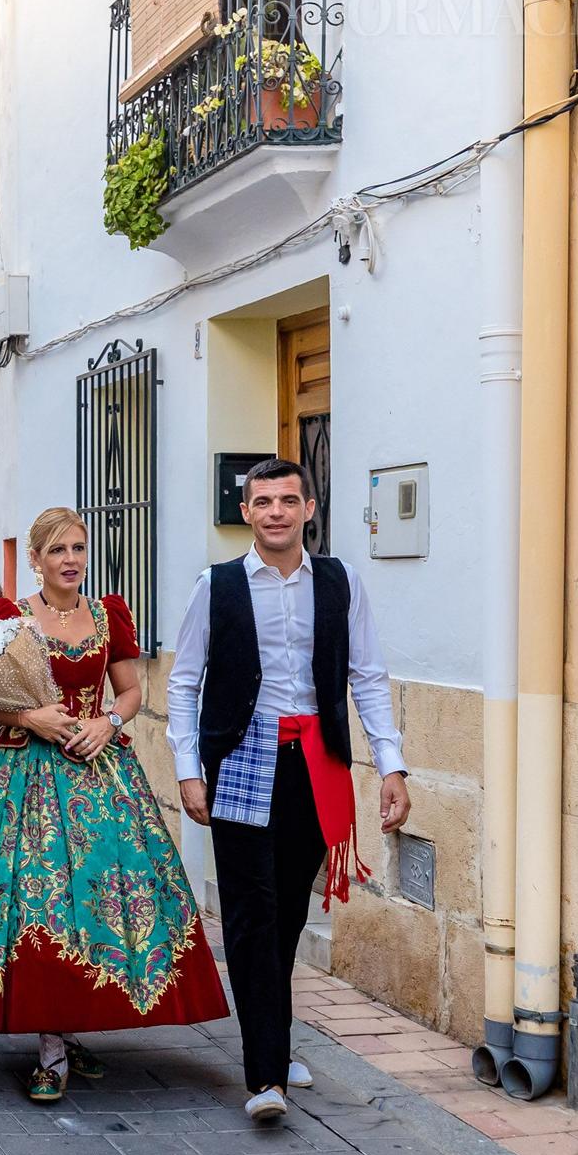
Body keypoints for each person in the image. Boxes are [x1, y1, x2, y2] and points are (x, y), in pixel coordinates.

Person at [0, 508, 229, 1102]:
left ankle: (69, 1028)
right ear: (35, 559)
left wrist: (107, 722)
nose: (71, 559)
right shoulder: (9, 617)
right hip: (21, 770)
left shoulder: (110, 614)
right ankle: (51, 1045)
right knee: (35, 899)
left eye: (78, 548)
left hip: (98, 770)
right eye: (58, 550)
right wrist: (29, 716)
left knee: (102, 899)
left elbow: (132, 690)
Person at [166, 458, 411, 1121]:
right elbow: (184, 682)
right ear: (245, 512)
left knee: (291, 914)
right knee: (252, 913)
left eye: (287, 499)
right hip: (242, 760)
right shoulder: (214, 587)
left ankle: (269, 1031)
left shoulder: (340, 582)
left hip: (316, 766)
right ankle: (265, 1072)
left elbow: (367, 674)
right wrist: (188, 767)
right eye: (262, 500)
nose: (275, 510)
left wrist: (392, 764)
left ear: (309, 508)